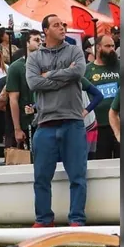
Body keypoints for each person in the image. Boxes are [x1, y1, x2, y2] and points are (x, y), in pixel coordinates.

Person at [26, 14, 88, 227]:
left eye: (63, 25)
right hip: (45, 124)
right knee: (41, 177)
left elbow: (78, 71)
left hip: (72, 121)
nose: (62, 28)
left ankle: (77, 219)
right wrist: (65, 77)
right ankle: (44, 219)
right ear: (46, 31)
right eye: (56, 25)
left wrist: (49, 74)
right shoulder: (34, 58)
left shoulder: (74, 50)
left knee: (78, 176)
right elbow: (34, 83)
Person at [84, 35, 120, 159]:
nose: (112, 49)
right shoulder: (87, 70)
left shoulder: (120, 66)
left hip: (119, 125)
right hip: (98, 126)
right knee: (101, 163)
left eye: (113, 46)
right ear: (98, 48)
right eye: (108, 46)